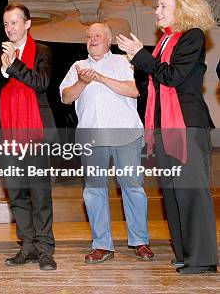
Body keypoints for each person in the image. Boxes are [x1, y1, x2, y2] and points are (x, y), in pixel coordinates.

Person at [117, 0, 218, 274]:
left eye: (163, 6)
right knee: (173, 193)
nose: (156, 11)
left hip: (186, 123)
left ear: (181, 8)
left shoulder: (191, 36)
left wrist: (140, 55)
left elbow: (172, 76)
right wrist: (137, 61)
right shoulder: (165, 42)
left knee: (191, 191)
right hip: (164, 125)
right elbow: (155, 81)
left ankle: (203, 258)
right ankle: (186, 252)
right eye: (157, 6)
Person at [60, 22, 153, 264]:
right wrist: (82, 82)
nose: (92, 39)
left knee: (133, 186)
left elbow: (134, 91)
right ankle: (102, 244)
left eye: (98, 36)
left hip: (126, 136)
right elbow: (67, 98)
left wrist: (99, 77)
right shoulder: (77, 67)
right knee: (94, 190)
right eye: (89, 36)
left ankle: (140, 241)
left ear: (109, 39)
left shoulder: (125, 62)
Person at [0, 2, 57, 270]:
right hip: (7, 135)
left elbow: (41, 83)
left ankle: (45, 249)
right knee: (16, 195)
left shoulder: (43, 51)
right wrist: (3, 71)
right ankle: (26, 246)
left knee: (40, 195)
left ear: (27, 23)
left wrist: (14, 64)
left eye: (14, 22)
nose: (9, 28)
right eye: (6, 24)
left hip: (35, 133)